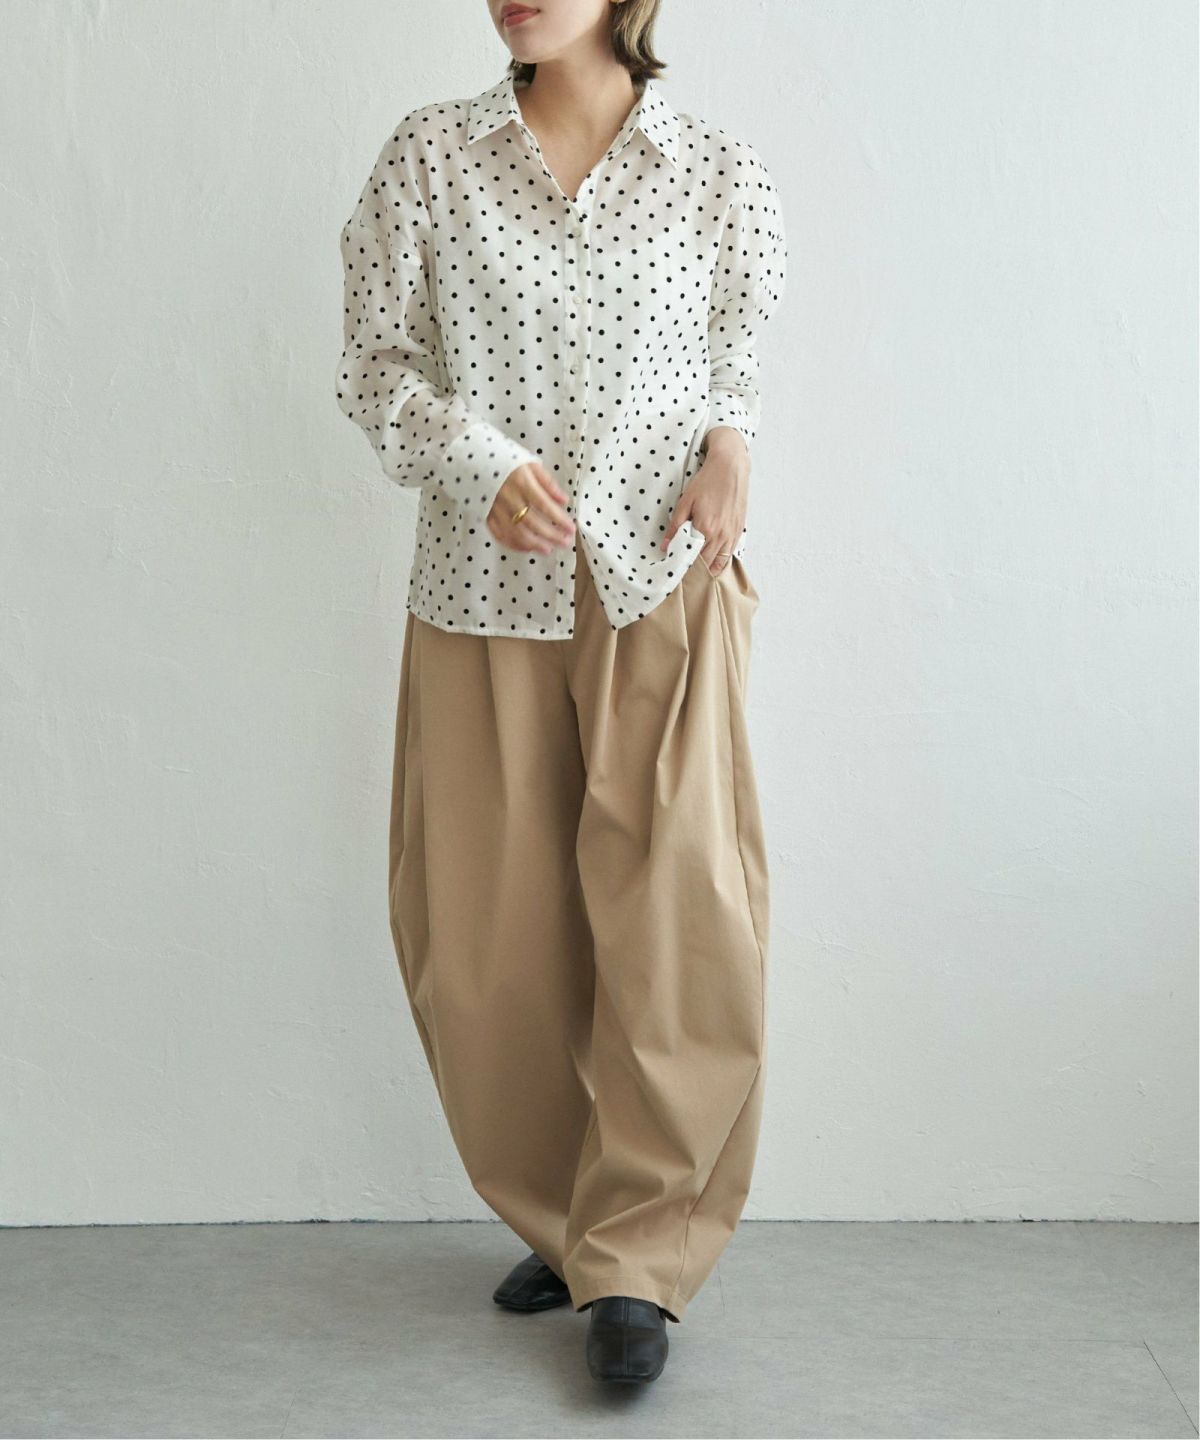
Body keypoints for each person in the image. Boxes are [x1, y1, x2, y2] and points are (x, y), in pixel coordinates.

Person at [335, 0, 786, 1385]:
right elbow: (375, 367)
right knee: (484, 934)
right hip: (484, 592)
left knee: (680, 917)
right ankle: (573, 1218)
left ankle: (640, 1256)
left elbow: (736, 366)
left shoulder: (716, 171)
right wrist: (477, 464)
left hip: (661, 584)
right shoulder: (429, 157)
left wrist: (734, 447)